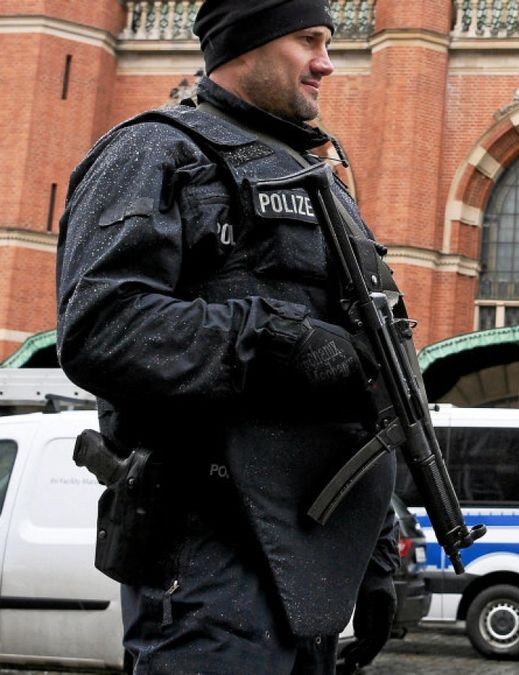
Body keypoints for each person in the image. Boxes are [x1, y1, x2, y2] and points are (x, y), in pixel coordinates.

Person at [56, 1, 401, 672]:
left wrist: (379, 552)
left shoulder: (323, 186)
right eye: (309, 40)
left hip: (312, 560)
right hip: (205, 555)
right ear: (249, 43)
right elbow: (101, 325)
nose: (327, 62)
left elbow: (370, 401)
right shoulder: (155, 151)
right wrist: (278, 339)